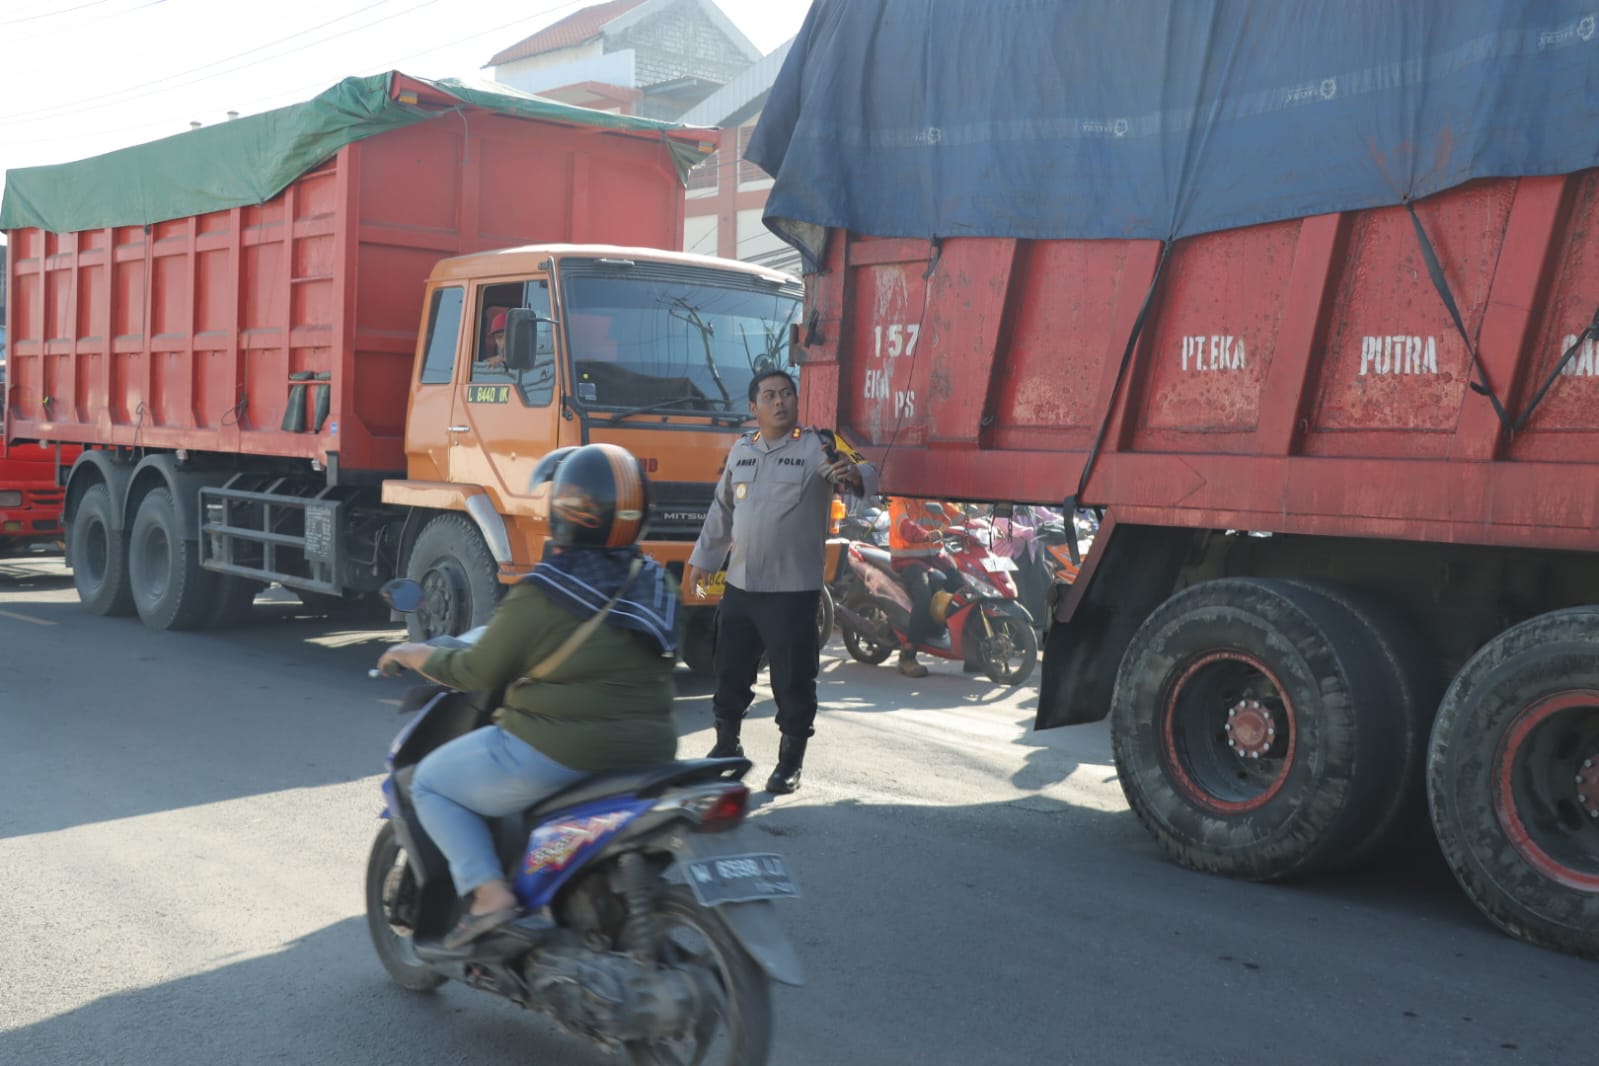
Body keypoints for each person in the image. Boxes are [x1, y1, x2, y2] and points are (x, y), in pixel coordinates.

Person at [375, 443, 678, 950]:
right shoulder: (654, 582)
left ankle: (490, 896)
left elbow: (475, 669)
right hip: (651, 754)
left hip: (558, 754)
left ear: (564, 510)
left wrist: (414, 653)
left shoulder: (546, 592)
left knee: (428, 784)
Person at [686, 368, 878, 795]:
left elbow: (867, 471)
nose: (780, 401)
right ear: (753, 407)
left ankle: (790, 762)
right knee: (729, 670)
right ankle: (726, 745)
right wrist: (704, 559)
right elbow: (722, 509)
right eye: (770, 395)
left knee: (792, 680)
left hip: (792, 590)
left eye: (787, 394)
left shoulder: (818, 445)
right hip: (741, 586)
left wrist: (853, 473)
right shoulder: (742, 449)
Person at [887, 496, 965, 677]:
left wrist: (980, 525)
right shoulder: (898, 501)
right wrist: (925, 535)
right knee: (924, 598)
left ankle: (971, 650)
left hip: (935, 557)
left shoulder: (933, 500)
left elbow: (956, 517)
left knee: (963, 587)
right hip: (909, 559)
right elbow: (905, 527)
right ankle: (907, 655)